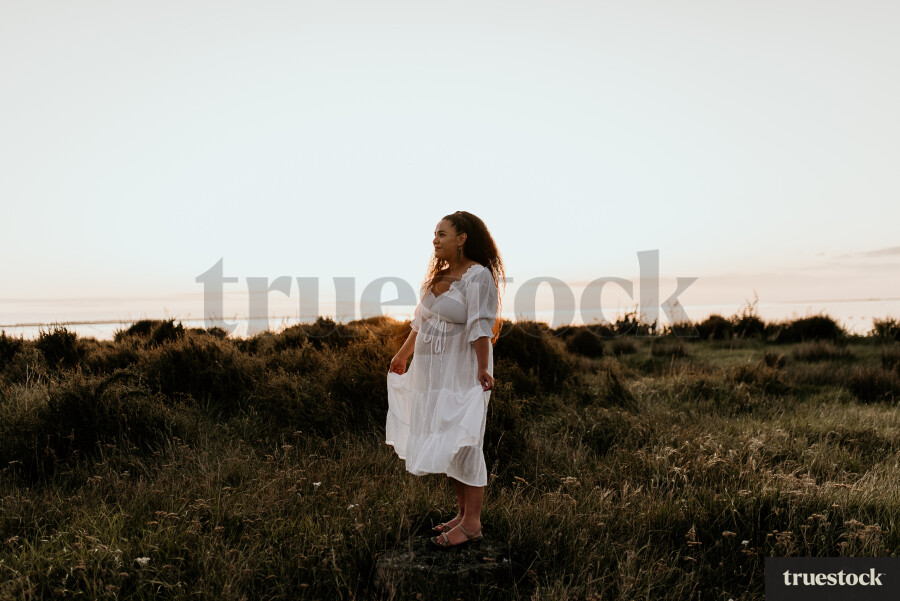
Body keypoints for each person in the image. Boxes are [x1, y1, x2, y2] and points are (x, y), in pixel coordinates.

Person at [386, 211, 504, 549]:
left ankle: (472, 524)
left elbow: (481, 325)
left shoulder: (478, 276)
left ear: (462, 238)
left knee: (467, 440)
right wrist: (402, 355)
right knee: (449, 438)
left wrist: (483, 368)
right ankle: (461, 512)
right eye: (434, 234)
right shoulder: (437, 276)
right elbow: (419, 323)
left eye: (442, 233)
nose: (435, 239)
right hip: (433, 375)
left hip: (464, 370)